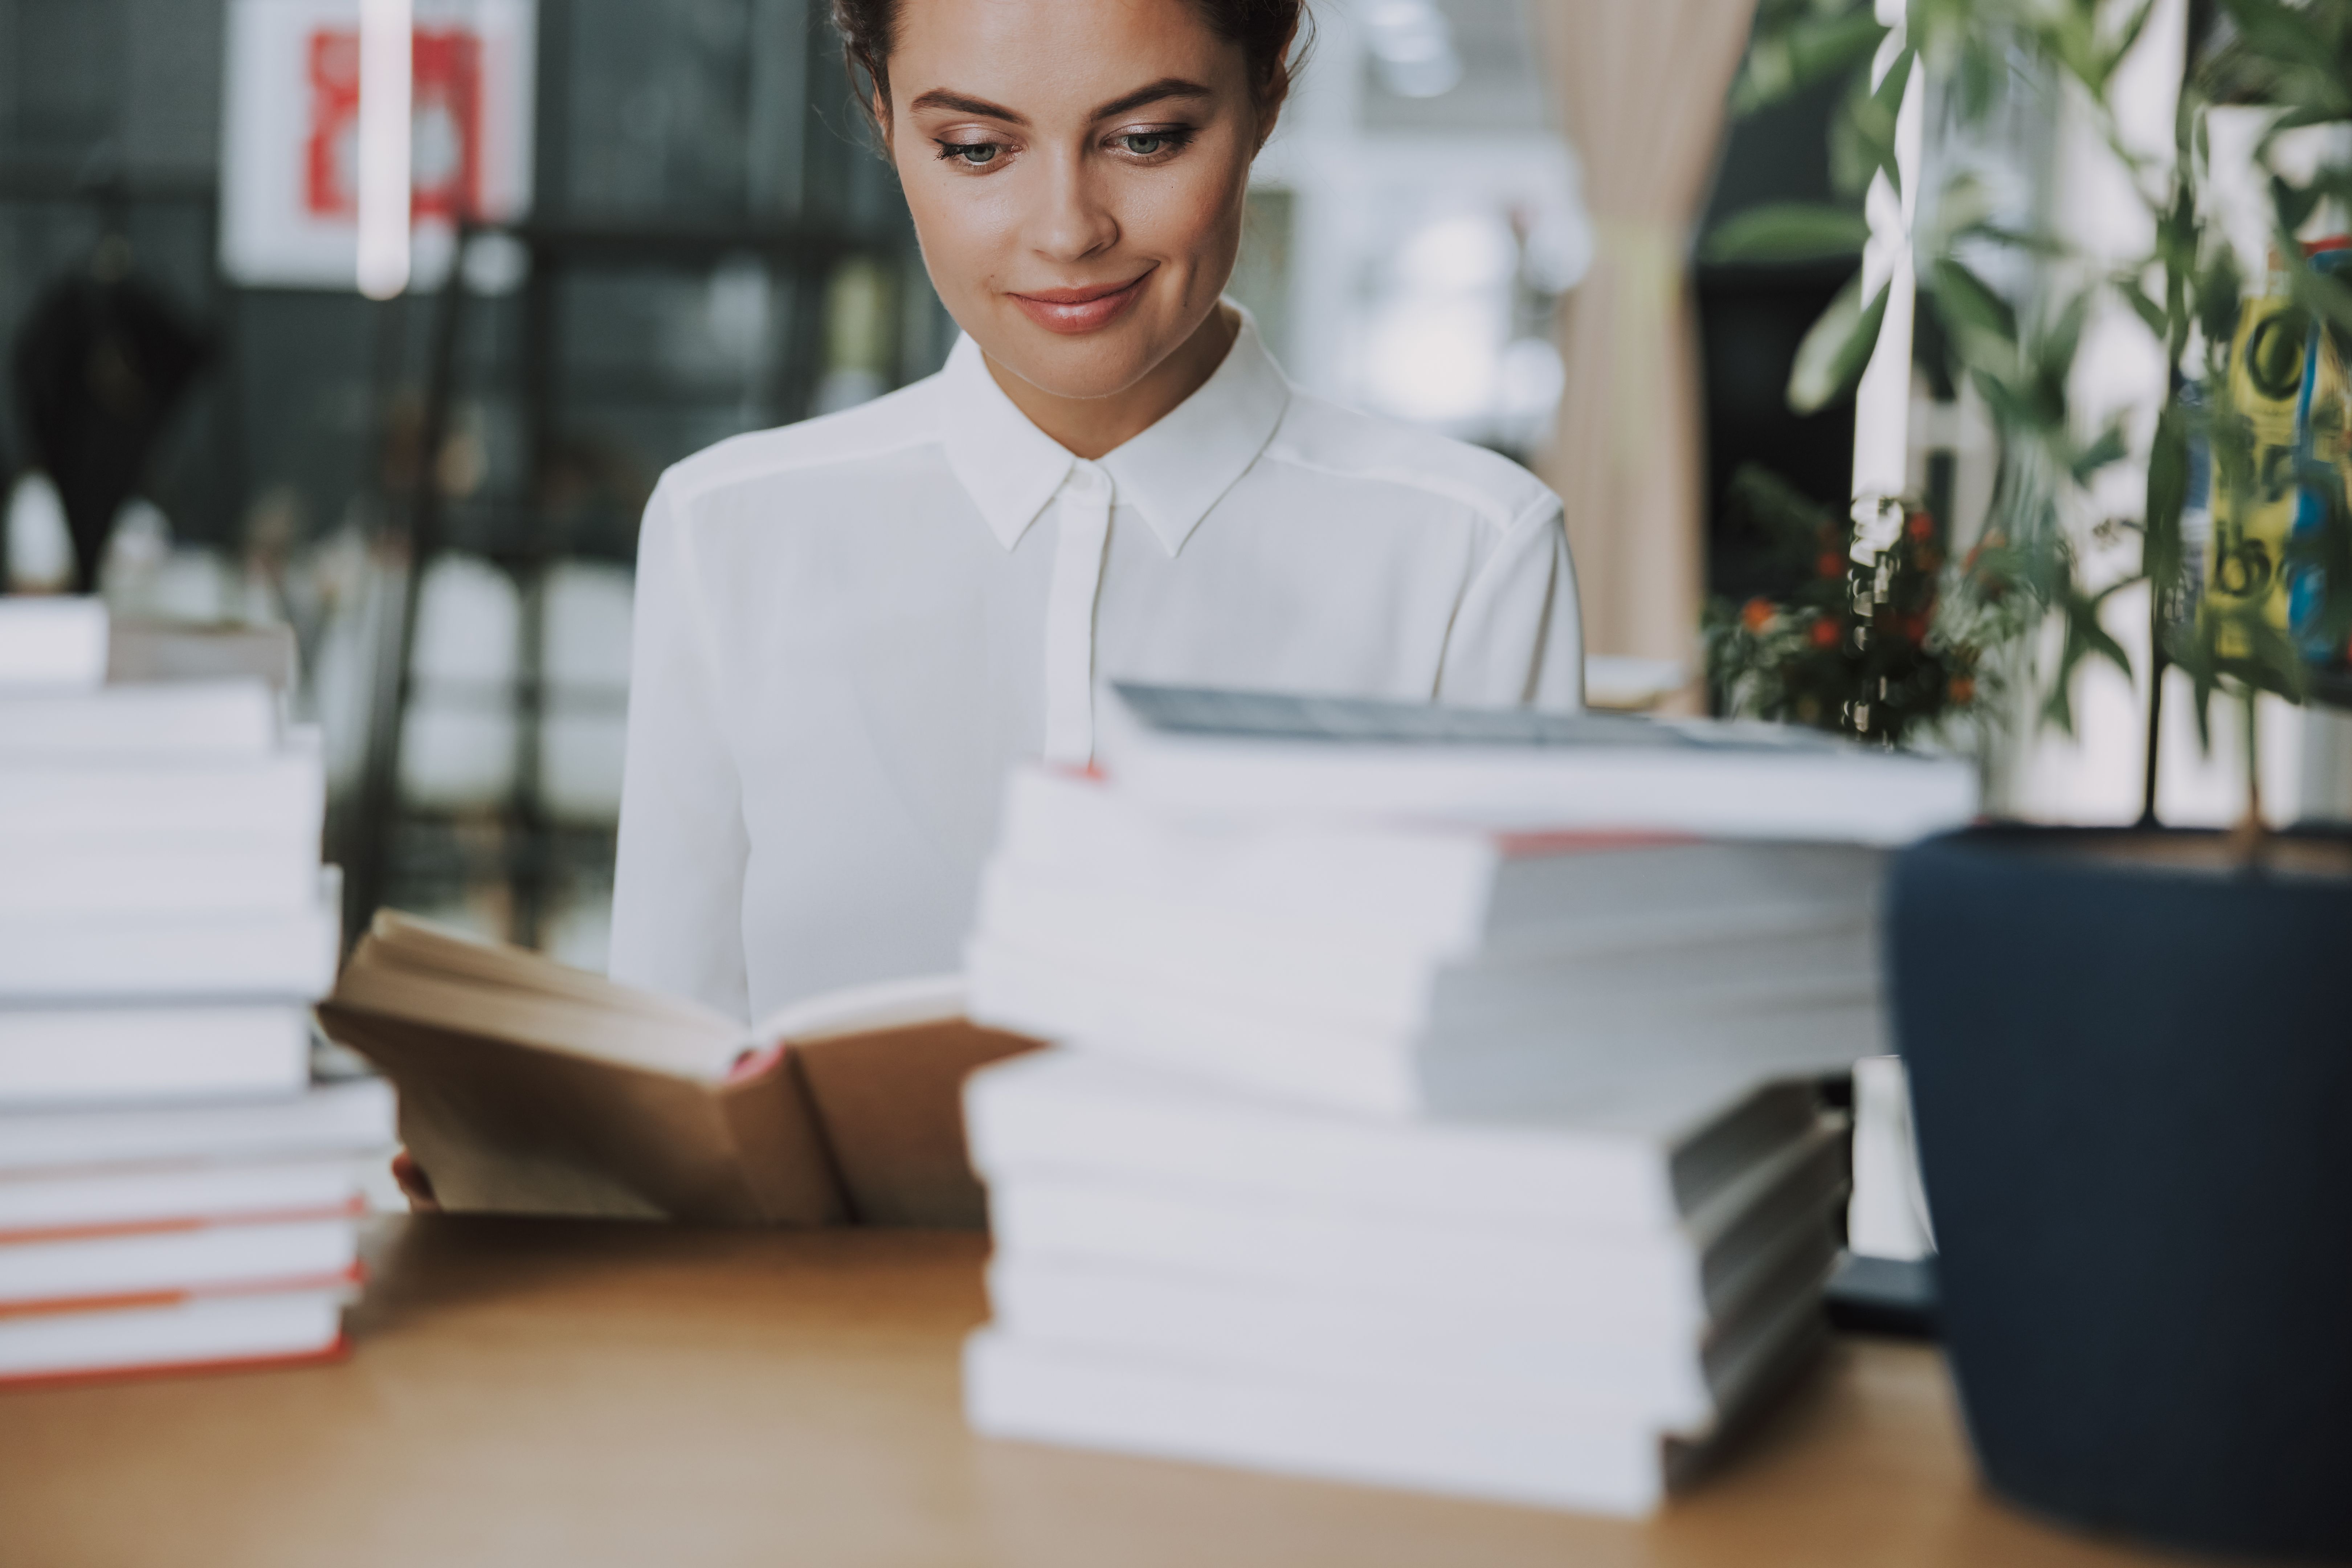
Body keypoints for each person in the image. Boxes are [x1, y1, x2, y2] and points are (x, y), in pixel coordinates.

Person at [605, 0, 1582, 1026]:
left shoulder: (1471, 557)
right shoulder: (727, 533)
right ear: (885, 121)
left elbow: (1516, 1077)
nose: (1069, 230)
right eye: (978, 149)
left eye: (1147, 140)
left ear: (1266, 96)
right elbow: (665, 1076)